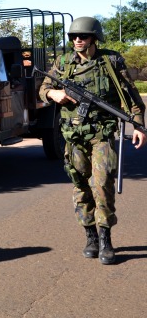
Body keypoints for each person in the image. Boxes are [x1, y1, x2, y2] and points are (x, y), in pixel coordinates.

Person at [39, 17, 146, 265]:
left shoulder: (110, 61)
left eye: (83, 36)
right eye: (74, 36)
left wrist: (138, 125)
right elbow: (43, 87)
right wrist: (53, 93)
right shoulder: (63, 63)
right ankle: (90, 236)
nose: (78, 40)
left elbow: (130, 95)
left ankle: (106, 238)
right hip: (73, 136)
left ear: (94, 38)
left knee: (103, 183)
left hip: (102, 134)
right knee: (80, 185)